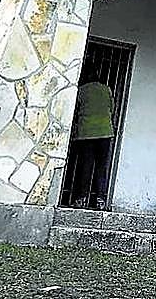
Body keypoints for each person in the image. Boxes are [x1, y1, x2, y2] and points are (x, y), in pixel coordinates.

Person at [70, 64, 115, 209]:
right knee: (101, 167)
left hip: (86, 133)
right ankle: (100, 199)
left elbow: (74, 111)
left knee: (85, 166)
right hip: (105, 133)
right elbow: (111, 108)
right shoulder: (106, 89)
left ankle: (82, 198)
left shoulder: (81, 91)